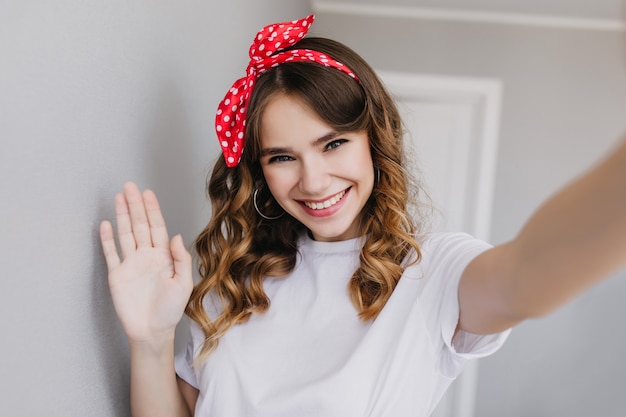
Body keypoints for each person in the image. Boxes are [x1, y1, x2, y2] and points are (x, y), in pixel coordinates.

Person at [99, 14, 626, 417]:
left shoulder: (432, 273)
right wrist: (149, 341)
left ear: (374, 139)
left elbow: (527, 275)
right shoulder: (231, 287)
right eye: (282, 157)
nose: (313, 181)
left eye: (333, 144)